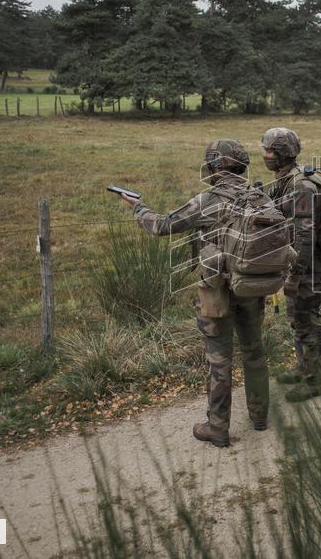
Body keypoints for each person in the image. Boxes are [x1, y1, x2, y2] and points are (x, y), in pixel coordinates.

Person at [117, 139, 268, 448]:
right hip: (253, 287)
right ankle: (260, 415)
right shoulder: (260, 198)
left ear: (215, 167)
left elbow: (162, 226)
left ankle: (217, 428)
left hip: (218, 292)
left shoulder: (208, 200)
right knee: (254, 352)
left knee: (219, 360)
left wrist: (138, 207)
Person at [261, 127, 321, 402]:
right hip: (295, 261)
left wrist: (295, 273)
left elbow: (305, 233)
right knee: (296, 318)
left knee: (307, 319)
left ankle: (314, 381)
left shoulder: (300, 185)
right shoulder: (284, 180)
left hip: (305, 263)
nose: (264, 155)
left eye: (268, 151)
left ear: (281, 154)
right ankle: (303, 365)